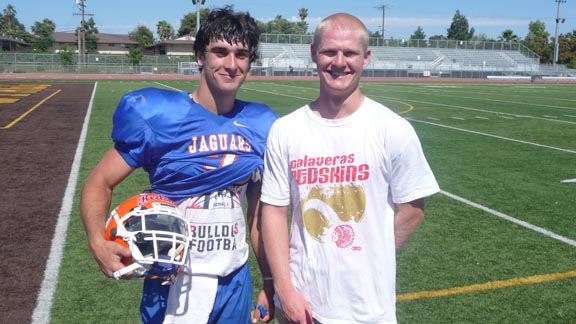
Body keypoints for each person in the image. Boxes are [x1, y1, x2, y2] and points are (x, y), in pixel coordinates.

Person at [80, 6, 277, 324]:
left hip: (235, 278)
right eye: (220, 51)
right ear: (200, 56)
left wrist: (269, 282)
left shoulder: (262, 124)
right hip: (173, 277)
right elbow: (99, 182)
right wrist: (95, 240)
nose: (231, 63)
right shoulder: (161, 117)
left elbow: (259, 218)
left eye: (241, 54)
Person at [260, 13, 440, 324]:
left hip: (368, 309)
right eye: (330, 51)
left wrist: (373, 255)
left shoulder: (392, 129)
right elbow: (273, 212)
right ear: (314, 53)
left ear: (366, 58)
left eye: (350, 53)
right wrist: (285, 291)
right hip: (302, 306)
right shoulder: (285, 130)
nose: (339, 62)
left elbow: (413, 209)